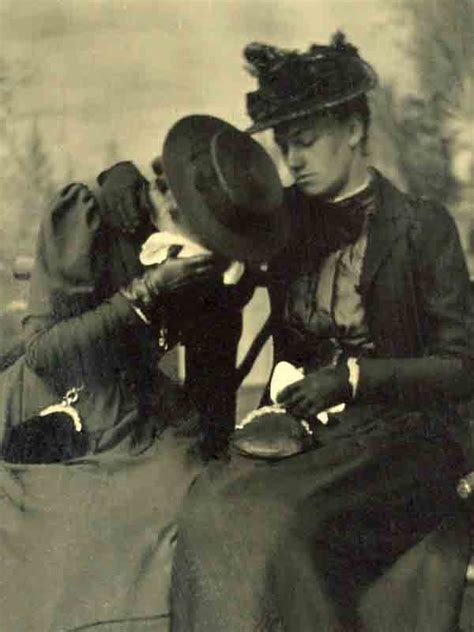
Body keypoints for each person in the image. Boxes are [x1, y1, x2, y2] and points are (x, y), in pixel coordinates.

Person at [169, 33, 474, 631]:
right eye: (284, 146)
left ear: (354, 129)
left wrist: (355, 379)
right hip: (299, 434)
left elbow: (461, 365)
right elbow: (219, 290)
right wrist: (217, 282)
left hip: (402, 437)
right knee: (205, 509)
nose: (293, 161)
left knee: (281, 524)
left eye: (305, 142)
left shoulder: (420, 227)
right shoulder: (279, 222)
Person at [0, 115, 286, 631]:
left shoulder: (206, 264)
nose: (216, 245)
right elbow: (45, 354)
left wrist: (215, 455)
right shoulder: (88, 216)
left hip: (135, 412)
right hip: (48, 410)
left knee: (196, 504)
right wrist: (148, 294)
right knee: (96, 526)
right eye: (211, 229)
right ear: (176, 200)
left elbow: (212, 377)